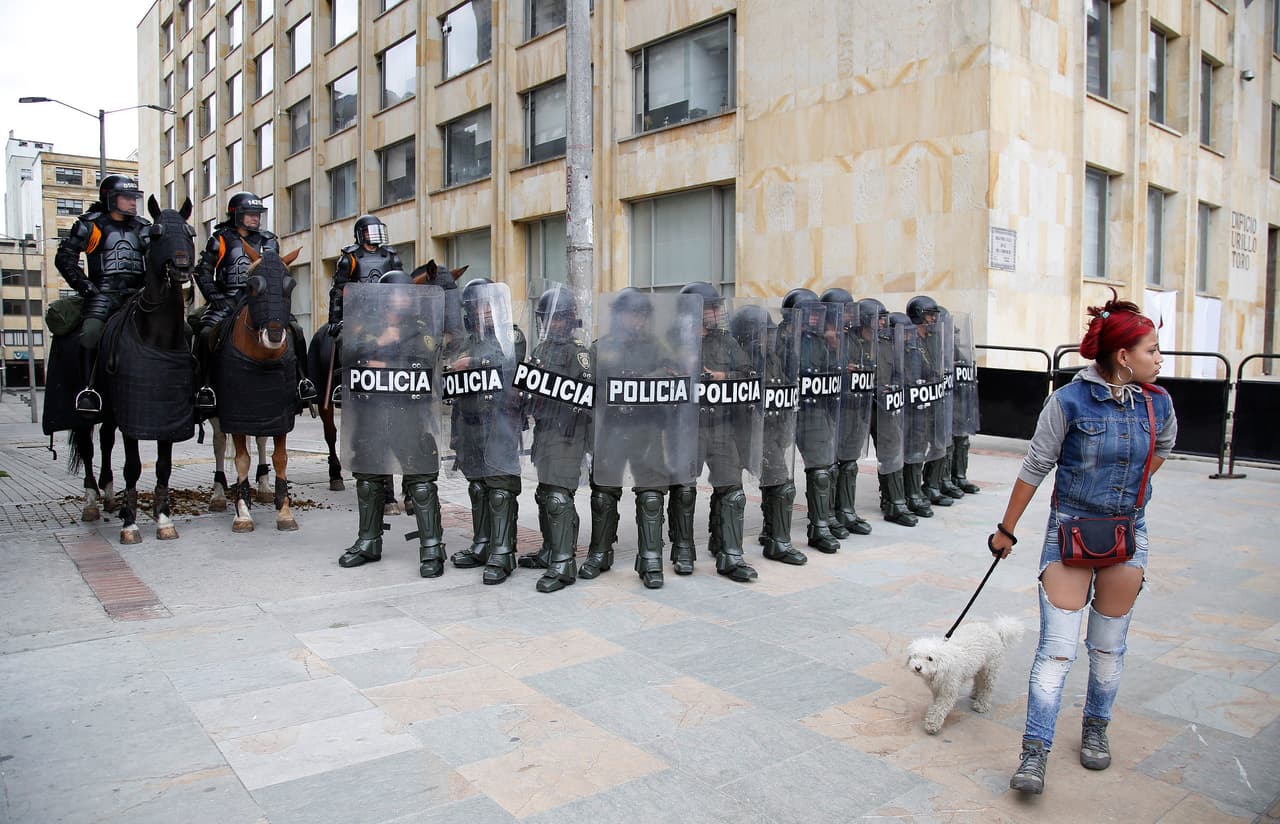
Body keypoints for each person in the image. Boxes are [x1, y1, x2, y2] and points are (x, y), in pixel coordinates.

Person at [990, 292, 1176, 795]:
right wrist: (1006, 530)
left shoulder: (1158, 403)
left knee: (1108, 648)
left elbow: (1160, 451)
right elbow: (1035, 465)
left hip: (1126, 534)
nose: (1160, 359)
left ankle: (1096, 726)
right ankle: (1034, 752)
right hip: (1069, 531)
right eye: (1153, 350)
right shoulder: (1068, 401)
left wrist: (1131, 492)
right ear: (1123, 356)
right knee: (1056, 649)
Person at [335, 272, 446, 577]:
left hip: (409, 415)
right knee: (369, 479)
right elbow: (349, 350)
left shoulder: (421, 328)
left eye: (405, 295)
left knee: (420, 484)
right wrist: (380, 341)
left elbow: (424, 359)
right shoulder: (365, 327)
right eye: (394, 295)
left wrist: (381, 359)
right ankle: (369, 541)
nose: (400, 301)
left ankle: (432, 546)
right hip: (371, 413)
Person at [193, 192, 317, 409]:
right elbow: (203, 272)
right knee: (205, 334)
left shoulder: (269, 240)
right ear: (236, 215)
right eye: (250, 215)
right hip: (228, 300)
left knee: (296, 330)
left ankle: (302, 382)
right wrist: (216, 298)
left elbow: (277, 273)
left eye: (258, 215)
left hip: (263, 301)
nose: (255, 219)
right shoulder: (220, 239)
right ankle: (205, 387)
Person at [671, 281, 759, 582]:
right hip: (688, 428)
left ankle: (730, 553)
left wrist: (725, 376)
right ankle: (683, 549)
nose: (717, 312)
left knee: (732, 491)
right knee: (683, 490)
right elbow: (651, 377)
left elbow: (749, 374)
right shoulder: (672, 341)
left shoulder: (726, 341)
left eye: (717, 307)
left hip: (722, 426)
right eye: (712, 307)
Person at [446, 279, 526, 585]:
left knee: (500, 488)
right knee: (477, 487)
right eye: (479, 307)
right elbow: (455, 388)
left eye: (488, 305)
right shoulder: (465, 342)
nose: (486, 312)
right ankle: (482, 543)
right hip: (469, 424)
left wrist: (474, 363)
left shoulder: (512, 335)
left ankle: (503, 550)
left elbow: (510, 363)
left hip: (500, 423)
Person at [514, 285, 593, 593]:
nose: (551, 324)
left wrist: (561, 401)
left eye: (557, 319)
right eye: (547, 319)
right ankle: (550, 550)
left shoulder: (579, 354)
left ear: (569, 319)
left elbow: (586, 397)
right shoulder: (543, 350)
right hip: (545, 433)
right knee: (545, 495)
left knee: (560, 498)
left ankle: (564, 563)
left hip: (568, 434)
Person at [54, 174, 150, 415]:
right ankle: (89, 391)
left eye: (134, 198)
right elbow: (65, 258)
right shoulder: (90, 225)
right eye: (126, 198)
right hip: (103, 294)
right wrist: (85, 286)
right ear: (110, 199)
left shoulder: (143, 227)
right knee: (90, 334)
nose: (132, 202)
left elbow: (156, 259)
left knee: (177, 331)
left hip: (137, 296)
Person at [733, 304, 806, 565]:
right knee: (735, 490)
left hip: (772, 431)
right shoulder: (743, 359)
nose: (771, 337)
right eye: (766, 332)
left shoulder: (773, 357)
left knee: (778, 484)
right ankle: (774, 541)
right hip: (748, 433)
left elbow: (784, 392)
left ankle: (772, 535)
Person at [784, 288, 842, 553]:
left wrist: (834, 346)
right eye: (810, 314)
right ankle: (774, 531)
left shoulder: (819, 341)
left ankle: (819, 527)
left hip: (814, 411)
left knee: (820, 470)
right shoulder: (777, 338)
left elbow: (835, 372)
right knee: (777, 479)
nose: (817, 319)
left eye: (818, 314)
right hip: (783, 414)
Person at [822, 287, 874, 536]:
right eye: (843, 310)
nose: (848, 315)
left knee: (849, 462)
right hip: (831, 406)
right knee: (830, 463)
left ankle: (846, 510)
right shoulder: (821, 336)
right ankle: (827, 512)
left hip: (853, 404)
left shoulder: (850, 336)